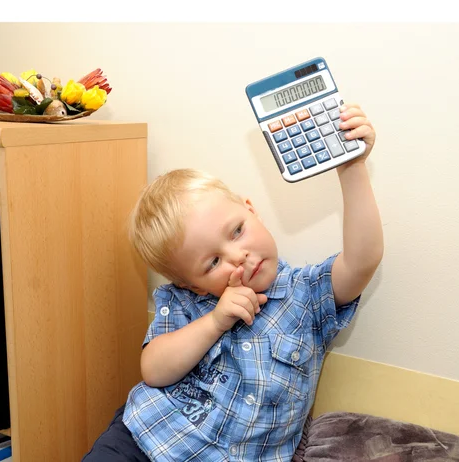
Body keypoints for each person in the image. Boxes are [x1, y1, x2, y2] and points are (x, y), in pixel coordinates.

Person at [121, 103, 383, 461]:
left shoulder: (305, 295)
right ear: (193, 285)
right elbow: (153, 371)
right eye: (213, 262)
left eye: (238, 231)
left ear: (251, 210)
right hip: (150, 436)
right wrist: (214, 322)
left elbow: (362, 261)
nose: (238, 255)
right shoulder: (185, 302)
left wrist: (351, 166)